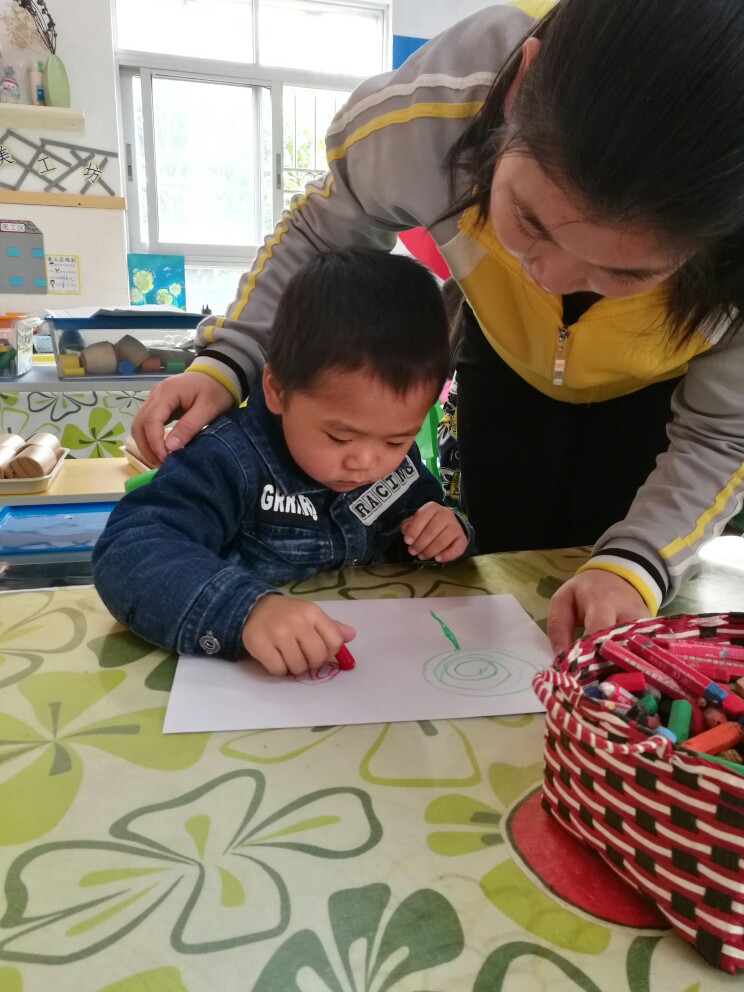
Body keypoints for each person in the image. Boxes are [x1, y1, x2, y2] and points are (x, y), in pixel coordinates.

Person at [130, 0, 744, 656]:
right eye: (530, 222)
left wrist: (636, 562)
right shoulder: (435, 110)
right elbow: (324, 229)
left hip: (657, 399)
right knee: (508, 580)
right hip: (504, 363)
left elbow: (721, 432)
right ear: (517, 87)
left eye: (623, 272)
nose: (551, 278)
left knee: (610, 604)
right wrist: (232, 355)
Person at [93, 251, 473, 675]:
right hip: (240, 684)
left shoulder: (395, 466)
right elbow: (129, 552)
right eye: (339, 437)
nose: (367, 462)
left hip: (377, 668)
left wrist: (447, 531)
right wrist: (248, 611)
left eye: (396, 439)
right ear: (277, 390)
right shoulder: (229, 460)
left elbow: (421, 533)